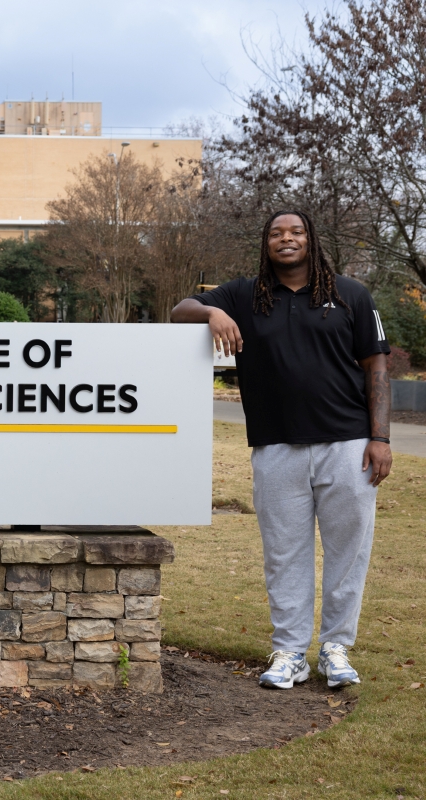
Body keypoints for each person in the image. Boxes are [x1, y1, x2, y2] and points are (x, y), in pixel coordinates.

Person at [172, 210, 391, 691]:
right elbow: (178, 310)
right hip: (275, 447)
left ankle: (336, 648)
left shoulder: (350, 294)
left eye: (295, 231)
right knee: (284, 554)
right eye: (276, 233)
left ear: (311, 239)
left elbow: (376, 366)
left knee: (347, 552)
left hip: (348, 445)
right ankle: (290, 651)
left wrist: (381, 438)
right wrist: (213, 311)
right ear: (265, 242)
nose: (286, 239)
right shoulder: (244, 295)